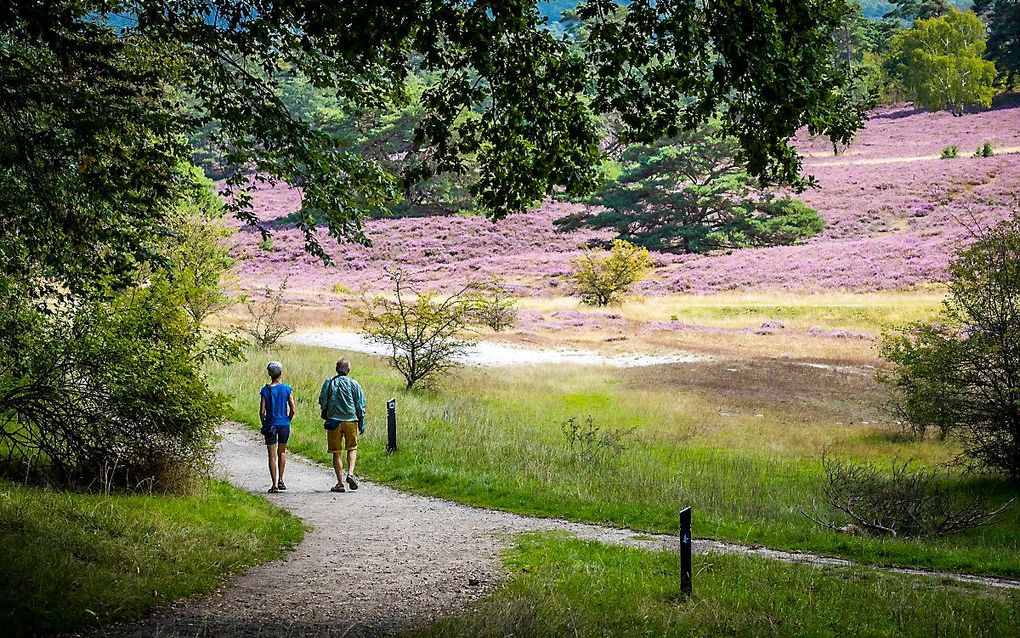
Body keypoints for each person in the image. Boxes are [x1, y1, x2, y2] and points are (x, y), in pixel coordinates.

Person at [319, 358, 366, 493]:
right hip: (351, 421)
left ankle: (339, 483)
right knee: (352, 448)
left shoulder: (329, 382)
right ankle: (350, 473)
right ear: (348, 370)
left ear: (336, 369)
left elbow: (323, 400)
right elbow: (360, 405)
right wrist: (362, 423)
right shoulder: (354, 384)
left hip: (334, 421)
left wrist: (327, 411)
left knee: (336, 452)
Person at [260, 361, 295, 494]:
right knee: (282, 452)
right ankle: (281, 479)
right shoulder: (287, 389)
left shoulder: (265, 390)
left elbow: (262, 411)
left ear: (270, 374)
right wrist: (288, 420)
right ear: (280, 373)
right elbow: (293, 408)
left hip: (270, 424)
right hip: (284, 424)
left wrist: (264, 423)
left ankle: (274, 484)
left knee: (272, 456)